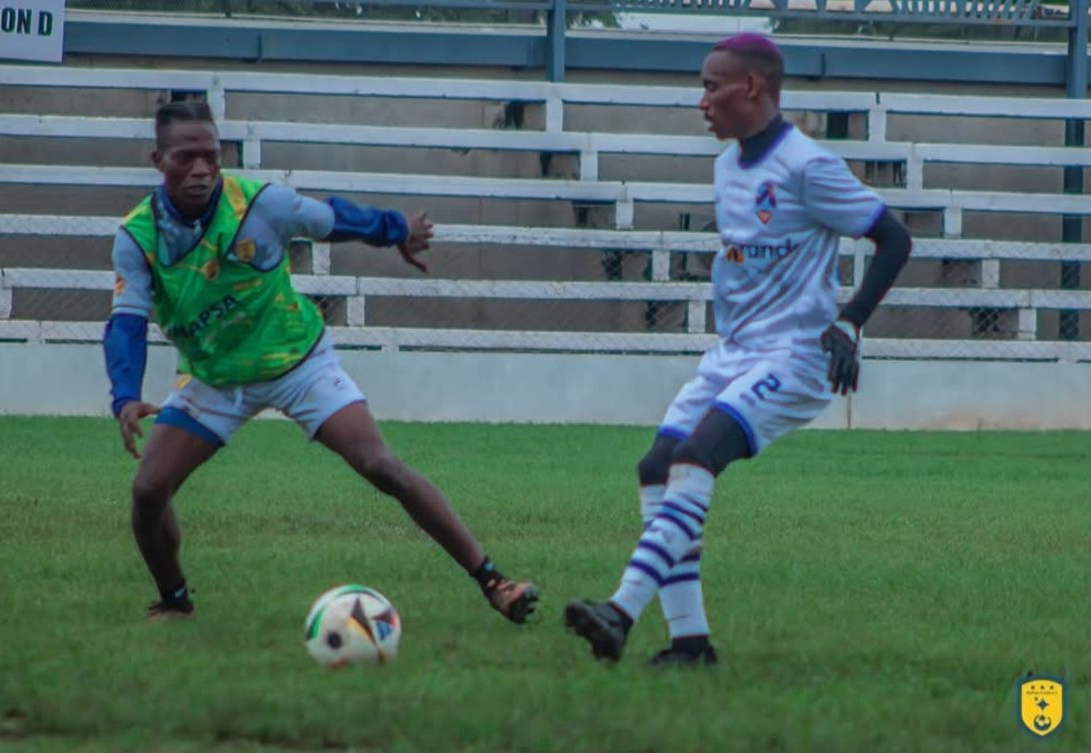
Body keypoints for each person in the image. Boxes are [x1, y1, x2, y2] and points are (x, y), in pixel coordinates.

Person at [103, 100, 538, 623]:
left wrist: (396, 229)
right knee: (149, 490)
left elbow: (333, 218)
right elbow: (126, 322)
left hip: (297, 363)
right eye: (185, 158)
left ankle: (494, 582)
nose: (200, 169)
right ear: (158, 160)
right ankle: (174, 601)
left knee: (381, 466)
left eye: (210, 156)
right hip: (213, 379)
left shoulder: (261, 205)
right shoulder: (138, 236)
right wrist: (125, 394)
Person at [564, 33, 912, 666]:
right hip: (734, 352)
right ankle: (691, 645)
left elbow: (893, 238)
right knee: (656, 467)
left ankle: (619, 611)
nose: (701, 101)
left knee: (698, 457)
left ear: (751, 87)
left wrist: (852, 322)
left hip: (796, 356)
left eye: (710, 86)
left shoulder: (808, 166)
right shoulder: (726, 166)